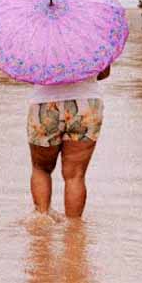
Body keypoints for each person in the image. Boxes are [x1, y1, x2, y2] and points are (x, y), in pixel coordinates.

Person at [27, 65, 110, 218]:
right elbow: (103, 73)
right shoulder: (94, 40)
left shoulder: (37, 41)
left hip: (45, 101)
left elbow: (28, 73)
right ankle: (74, 231)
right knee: (75, 175)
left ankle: (41, 222)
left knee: (41, 169)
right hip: (87, 102)